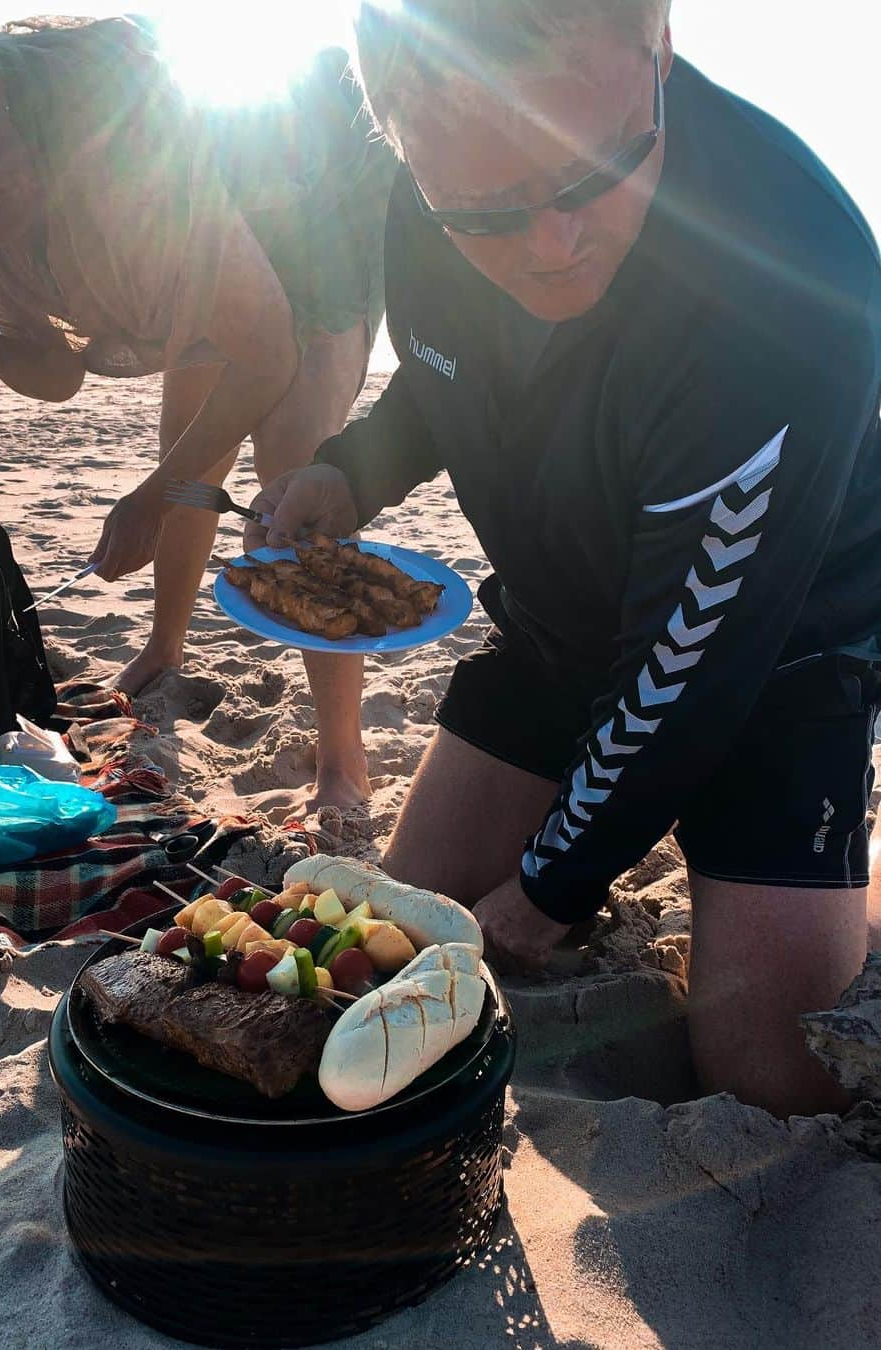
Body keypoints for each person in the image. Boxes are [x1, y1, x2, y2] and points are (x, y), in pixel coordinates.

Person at [248, 0, 881, 1117]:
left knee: (767, 1072)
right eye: (486, 213)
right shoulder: (423, 185)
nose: (553, 247)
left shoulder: (795, 266)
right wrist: (353, 469)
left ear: (662, 43)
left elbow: (698, 652)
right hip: (562, 618)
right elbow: (454, 373)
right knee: (402, 929)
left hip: (781, 648)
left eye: (595, 174)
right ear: (399, 135)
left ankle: (843, 882)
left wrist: (551, 888)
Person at [0, 0, 395, 810]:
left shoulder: (117, 141)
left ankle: (342, 760)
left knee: (292, 467)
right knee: (187, 445)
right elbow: (57, 374)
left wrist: (152, 497)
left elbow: (265, 352)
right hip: (212, 255)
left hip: (307, 199)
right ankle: (164, 647)